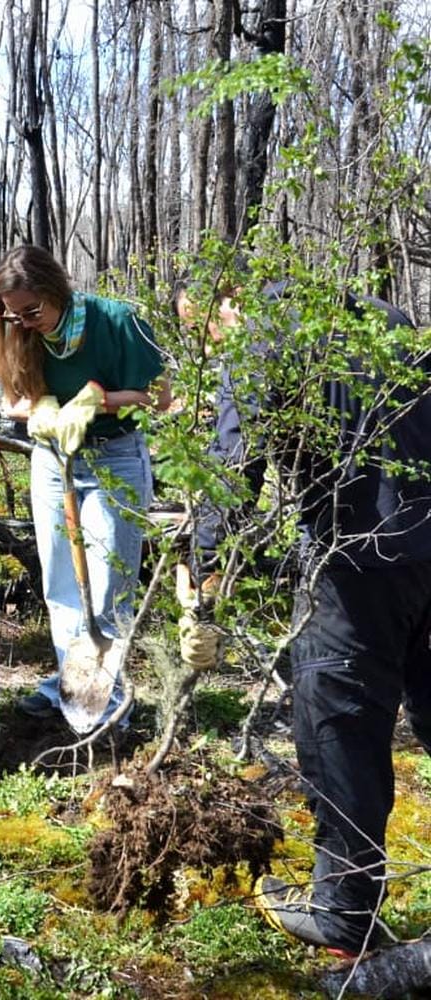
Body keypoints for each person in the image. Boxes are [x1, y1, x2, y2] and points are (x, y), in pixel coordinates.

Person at [175, 277, 431, 957]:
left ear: (224, 306)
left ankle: (344, 915)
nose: (213, 348)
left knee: (338, 721)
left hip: (358, 559)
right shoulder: (386, 317)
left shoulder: (262, 335)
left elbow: (234, 470)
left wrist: (204, 577)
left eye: (206, 333)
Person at [0, 245, 171, 732]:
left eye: (33, 311)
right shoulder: (19, 332)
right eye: (13, 314)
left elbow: (159, 397)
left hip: (114, 457)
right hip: (53, 460)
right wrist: (41, 409)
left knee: (108, 585)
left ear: (57, 290)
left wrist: (96, 401)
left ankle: (104, 705)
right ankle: (70, 688)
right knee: (62, 583)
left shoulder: (117, 321)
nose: (25, 322)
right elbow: (13, 401)